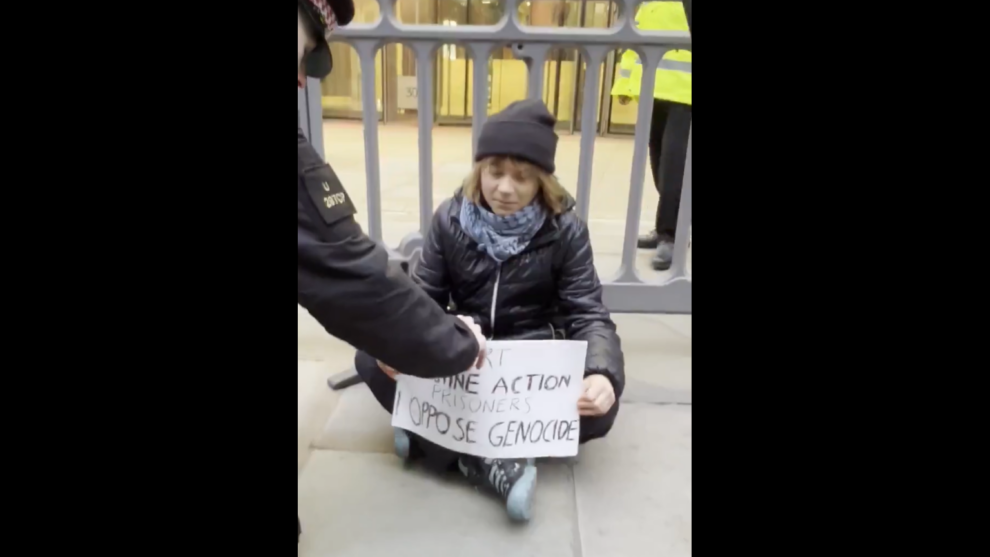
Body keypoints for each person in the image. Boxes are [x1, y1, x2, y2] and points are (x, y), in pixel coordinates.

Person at [352, 99, 625, 523]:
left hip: (530, 362)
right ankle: (494, 458)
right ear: (479, 169)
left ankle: (438, 442)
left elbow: (588, 312)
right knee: (370, 359)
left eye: (523, 177)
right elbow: (423, 296)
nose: (505, 188)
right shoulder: (450, 218)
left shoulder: (566, 229)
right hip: (466, 353)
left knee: (600, 410)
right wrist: (398, 349)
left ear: (542, 182)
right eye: (495, 171)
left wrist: (602, 374)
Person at [295, 0, 488, 542]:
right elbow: (352, 275)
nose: (301, 79)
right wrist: (460, 345)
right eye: (305, 52)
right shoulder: (452, 221)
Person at [610, 1, 692, 271]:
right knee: (658, 162)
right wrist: (624, 84)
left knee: (673, 166)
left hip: (685, 96)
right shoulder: (649, 4)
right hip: (653, 93)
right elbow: (635, 46)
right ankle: (669, 227)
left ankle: (670, 234)